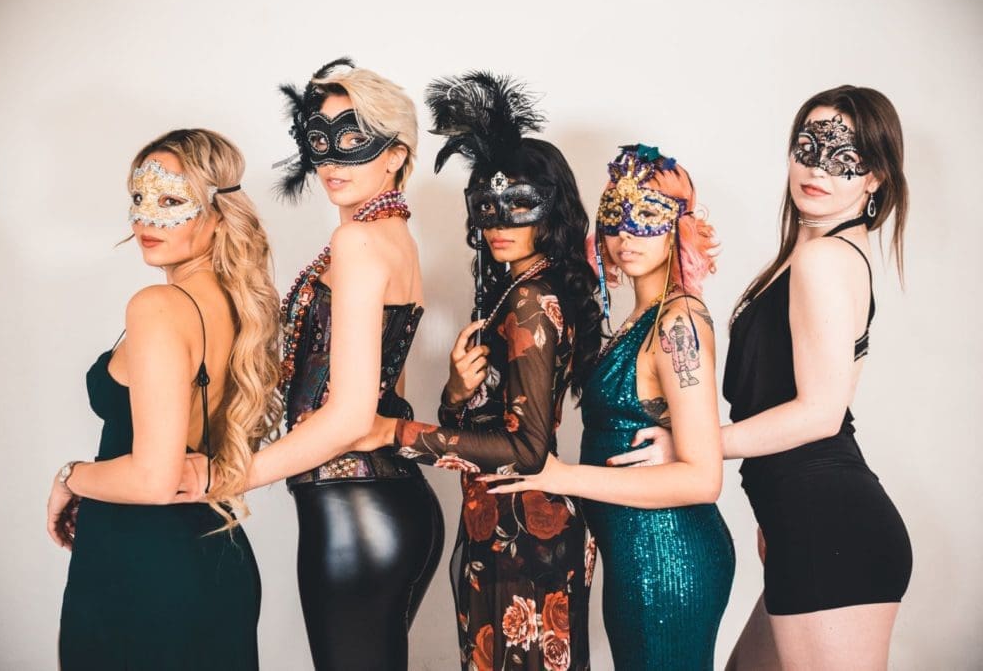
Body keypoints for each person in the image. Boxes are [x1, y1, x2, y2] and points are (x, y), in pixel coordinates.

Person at [629, 86, 913, 670]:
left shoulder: (823, 259)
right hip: (802, 523)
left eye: (844, 156)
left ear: (876, 177)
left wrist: (693, 445)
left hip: (830, 529)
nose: (818, 168)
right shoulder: (817, 251)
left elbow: (821, 414)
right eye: (807, 147)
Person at [181, 59, 445, 670]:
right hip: (388, 506)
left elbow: (352, 416)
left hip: (354, 512)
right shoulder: (394, 241)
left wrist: (226, 476)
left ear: (396, 155)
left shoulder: (358, 242)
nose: (330, 160)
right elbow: (387, 386)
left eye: (353, 140)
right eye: (319, 142)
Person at [356, 71, 603, 671]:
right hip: (497, 530)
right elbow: (488, 433)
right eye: (486, 209)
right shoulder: (511, 293)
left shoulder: (532, 300)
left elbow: (527, 451)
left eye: (518, 206)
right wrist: (456, 393)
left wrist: (395, 433)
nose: (499, 224)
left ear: (550, 210)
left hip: (529, 538)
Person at [483, 145, 735, 670]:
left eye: (647, 217)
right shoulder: (641, 318)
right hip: (633, 551)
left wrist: (562, 476)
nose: (626, 237)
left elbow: (702, 478)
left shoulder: (678, 323)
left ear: (679, 226)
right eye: (615, 219)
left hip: (667, 557)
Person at [46, 129, 279, 670]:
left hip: (142, 570)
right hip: (212, 558)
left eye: (172, 201)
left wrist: (69, 478)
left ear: (219, 213)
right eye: (139, 197)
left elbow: (154, 479)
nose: (146, 219)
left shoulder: (158, 306)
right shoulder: (239, 306)